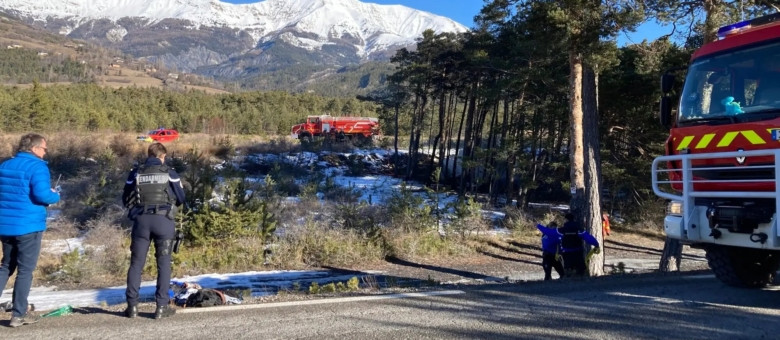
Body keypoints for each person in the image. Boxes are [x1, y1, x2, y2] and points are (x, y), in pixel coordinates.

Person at [0, 133, 60, 327]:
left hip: (5, 225)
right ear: (34, 148)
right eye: (44, 149)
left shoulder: (5, 165)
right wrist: (55, 196)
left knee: (6, 266)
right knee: (25, 270)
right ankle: (18, 314)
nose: (45, 153)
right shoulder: (38, 167)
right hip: (28, 225)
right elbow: (42, 195)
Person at [122, 142, 185, 319]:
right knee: (163, 264)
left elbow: (126, 197)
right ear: (162, 156)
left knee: (136, 264)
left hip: (141, 221)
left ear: (149, 155)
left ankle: (132, 307)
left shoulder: (136, 173)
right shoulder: (169, 173)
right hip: (163, 221)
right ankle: (161, 307)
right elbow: (181, 197)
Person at [558, 213, 600, 277]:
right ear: (573, 219)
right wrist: (596, 244)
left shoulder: (562, 230)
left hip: (566, 254)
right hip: (578, 253)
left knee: (568, 272)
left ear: (566, 220)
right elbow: (588, 237)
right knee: (581, 272)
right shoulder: (578, 229)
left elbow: (552, 235)